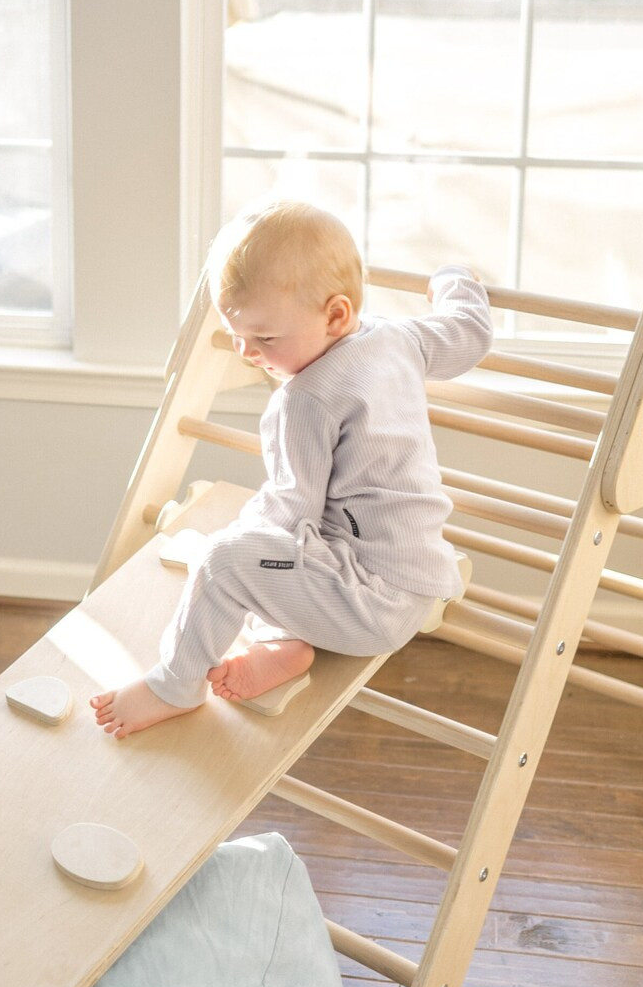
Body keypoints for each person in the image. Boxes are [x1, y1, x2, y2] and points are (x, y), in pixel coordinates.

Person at [91, 200, 493, 739]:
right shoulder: (399, 339)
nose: (247, 352)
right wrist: (455, 280)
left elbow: (289, 509)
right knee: (268, 554)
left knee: (226, 559)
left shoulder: (304, 400)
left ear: (334, 315)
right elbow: (469, 331)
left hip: (369, 599)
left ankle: (174, 685)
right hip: (415, 576)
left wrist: (223, 552)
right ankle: (282, 644)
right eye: (237, 336)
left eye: (265, 338)